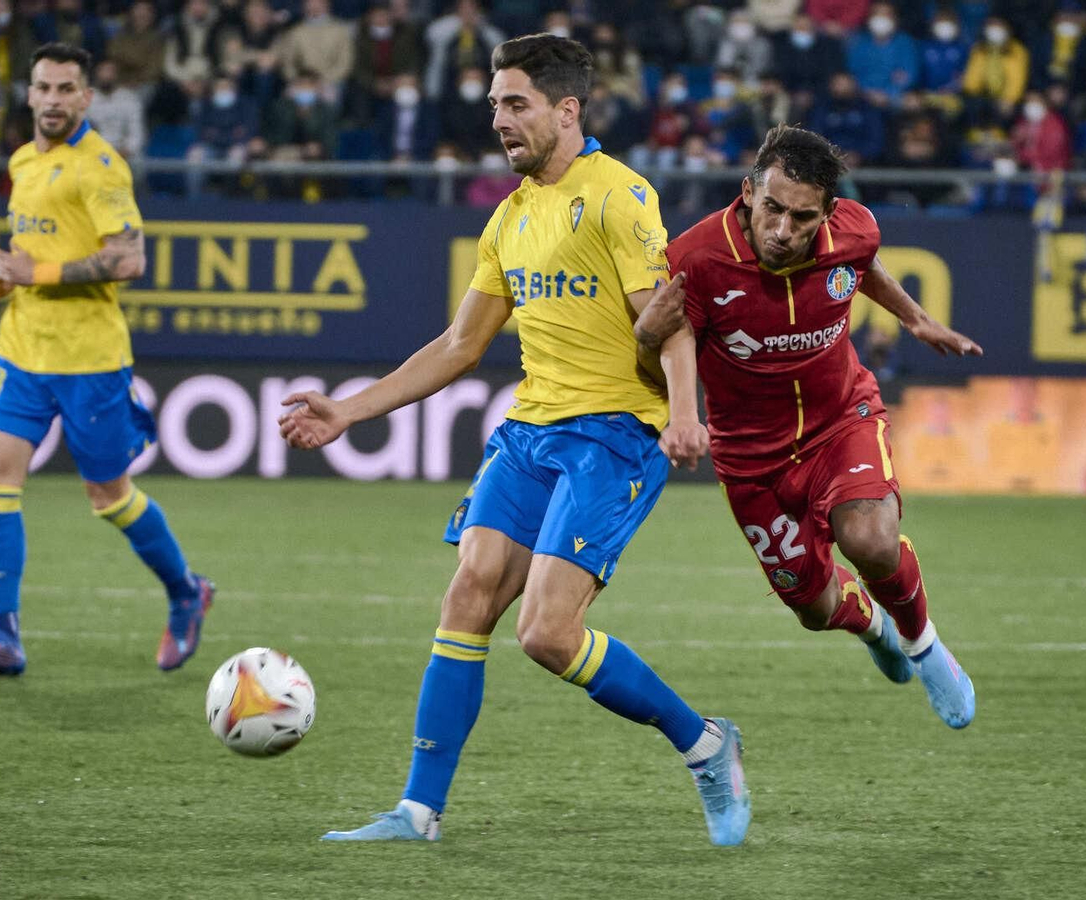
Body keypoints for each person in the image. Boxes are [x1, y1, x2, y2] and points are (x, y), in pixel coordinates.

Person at [279, 34, 749, 846]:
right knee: (467, 591)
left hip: (614, 434)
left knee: (546, 634)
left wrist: (682, 412)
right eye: (494, 104)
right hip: (531, 431)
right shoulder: (509, 215)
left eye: (515, 103)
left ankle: (706, 745)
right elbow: (460, 346)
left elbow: (668, 319)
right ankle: (417, 812)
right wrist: (349, 411)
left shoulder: (619, 196)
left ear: (567, 111)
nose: (498, 120)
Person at [633, 125, 982, 732]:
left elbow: (862, 263)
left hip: (841, 419)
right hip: (751, 460)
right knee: (816, 609)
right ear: (747, 192)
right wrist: (684, 416)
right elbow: (675, 336)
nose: (783, 231)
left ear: (828, 212)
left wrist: (916, 319)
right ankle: (874, 629)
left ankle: (924, 644)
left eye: (803, 218)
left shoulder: (855, 228)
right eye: (772, 209)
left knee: (870, 541)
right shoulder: (696, 258)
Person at [0, 43, 213, 678]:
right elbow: (34, 249)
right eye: (45, 87)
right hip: (20, 349)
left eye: (68, 89)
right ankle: (2, 633)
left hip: (89, 358)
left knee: (109, 496)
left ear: (86, 98)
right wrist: (9, 280)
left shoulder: (101, 167)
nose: (55, 99)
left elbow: (128, 259)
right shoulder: (21, 161)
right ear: (30, 94)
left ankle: (185, 591)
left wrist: (33, 270)